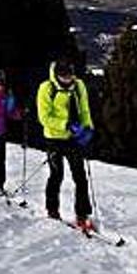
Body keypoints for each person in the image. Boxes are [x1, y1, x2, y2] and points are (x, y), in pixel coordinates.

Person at [36, 60, 95, 231]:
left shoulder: (78, 86)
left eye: (70, 76)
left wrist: (87, 129)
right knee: (57, 175)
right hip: (53, 138)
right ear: (57, 75)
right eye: (64, 77)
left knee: (80, 177)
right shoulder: (47, 88)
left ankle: (82, 215)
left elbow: (84, 110)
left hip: (73, 139)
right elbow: (44, 117)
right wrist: (65, 124)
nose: (68, 80)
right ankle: (52, 209)